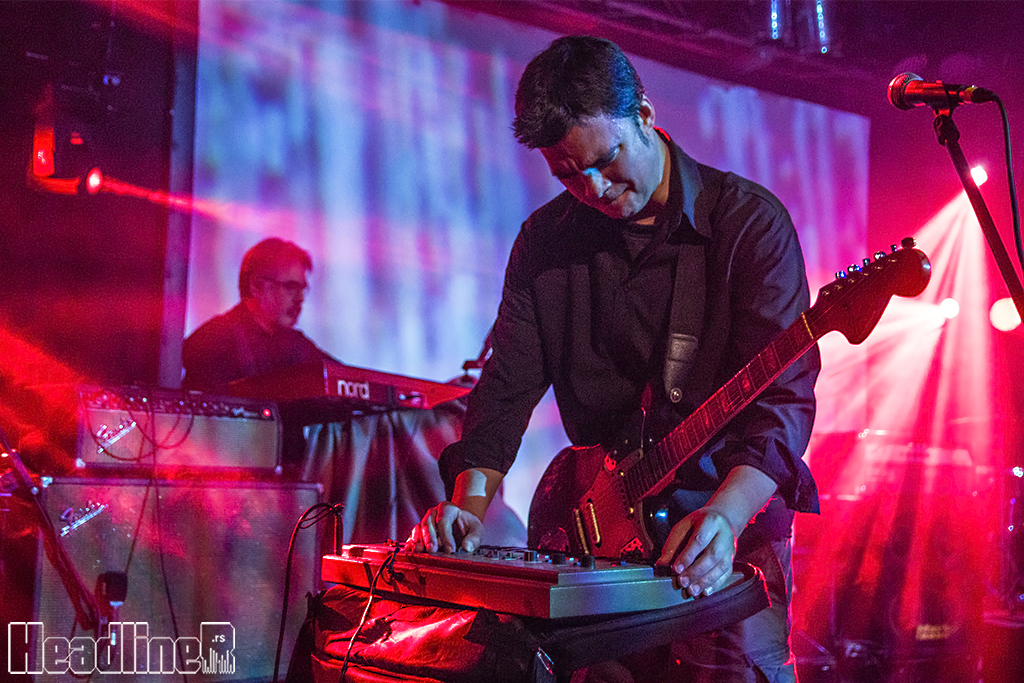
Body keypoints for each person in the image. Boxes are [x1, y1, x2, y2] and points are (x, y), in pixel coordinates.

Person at [407, 36, 820, 682]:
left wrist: (727, 512)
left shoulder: (747, 226)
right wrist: (468, 502)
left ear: (645, 115)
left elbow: (783, 399)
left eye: (605, 160)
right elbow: (507, 383)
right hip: (598, 531)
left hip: (723, 526)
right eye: (568, 175)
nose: (594, 188)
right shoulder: (545, 242)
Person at [182, 237, 331, 393]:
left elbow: (342, 377)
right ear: (257, 287)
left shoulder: (296, 345)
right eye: (291, 287)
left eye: (302, 289)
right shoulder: (213, 341)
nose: (300, 298)